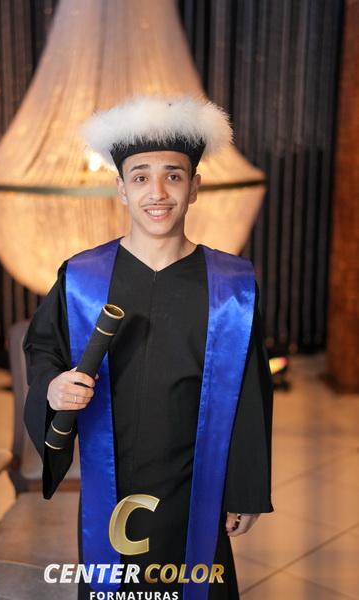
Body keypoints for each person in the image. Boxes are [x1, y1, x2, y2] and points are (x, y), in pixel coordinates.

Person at [23, 95, 274, 600]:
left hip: (196, 481)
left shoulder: (231, 287)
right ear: (121, 188)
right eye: (140, 177)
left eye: (173, 176)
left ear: (195, 187)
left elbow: (251, 392)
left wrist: (245, 488)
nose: (157, 192)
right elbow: (44, 349)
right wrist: (53, 388)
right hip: (112, 479)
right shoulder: (82, 279)